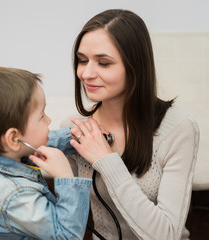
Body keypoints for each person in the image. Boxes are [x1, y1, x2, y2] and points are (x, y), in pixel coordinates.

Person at [61, 9, 200, 240]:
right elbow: (69, 221)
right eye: (82, 60)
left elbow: (166, 235)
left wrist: (107, 161)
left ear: (135, 66)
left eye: (104, 63)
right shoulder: (75, 127)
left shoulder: (179, 129)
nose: (86, 73)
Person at [0, 67, 92, 240]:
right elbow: (67, 236)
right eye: (41, 116)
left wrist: (76, 136)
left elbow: (38, 142)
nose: (49, 120)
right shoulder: (16, 196)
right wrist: (66, 177)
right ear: (14, 138)